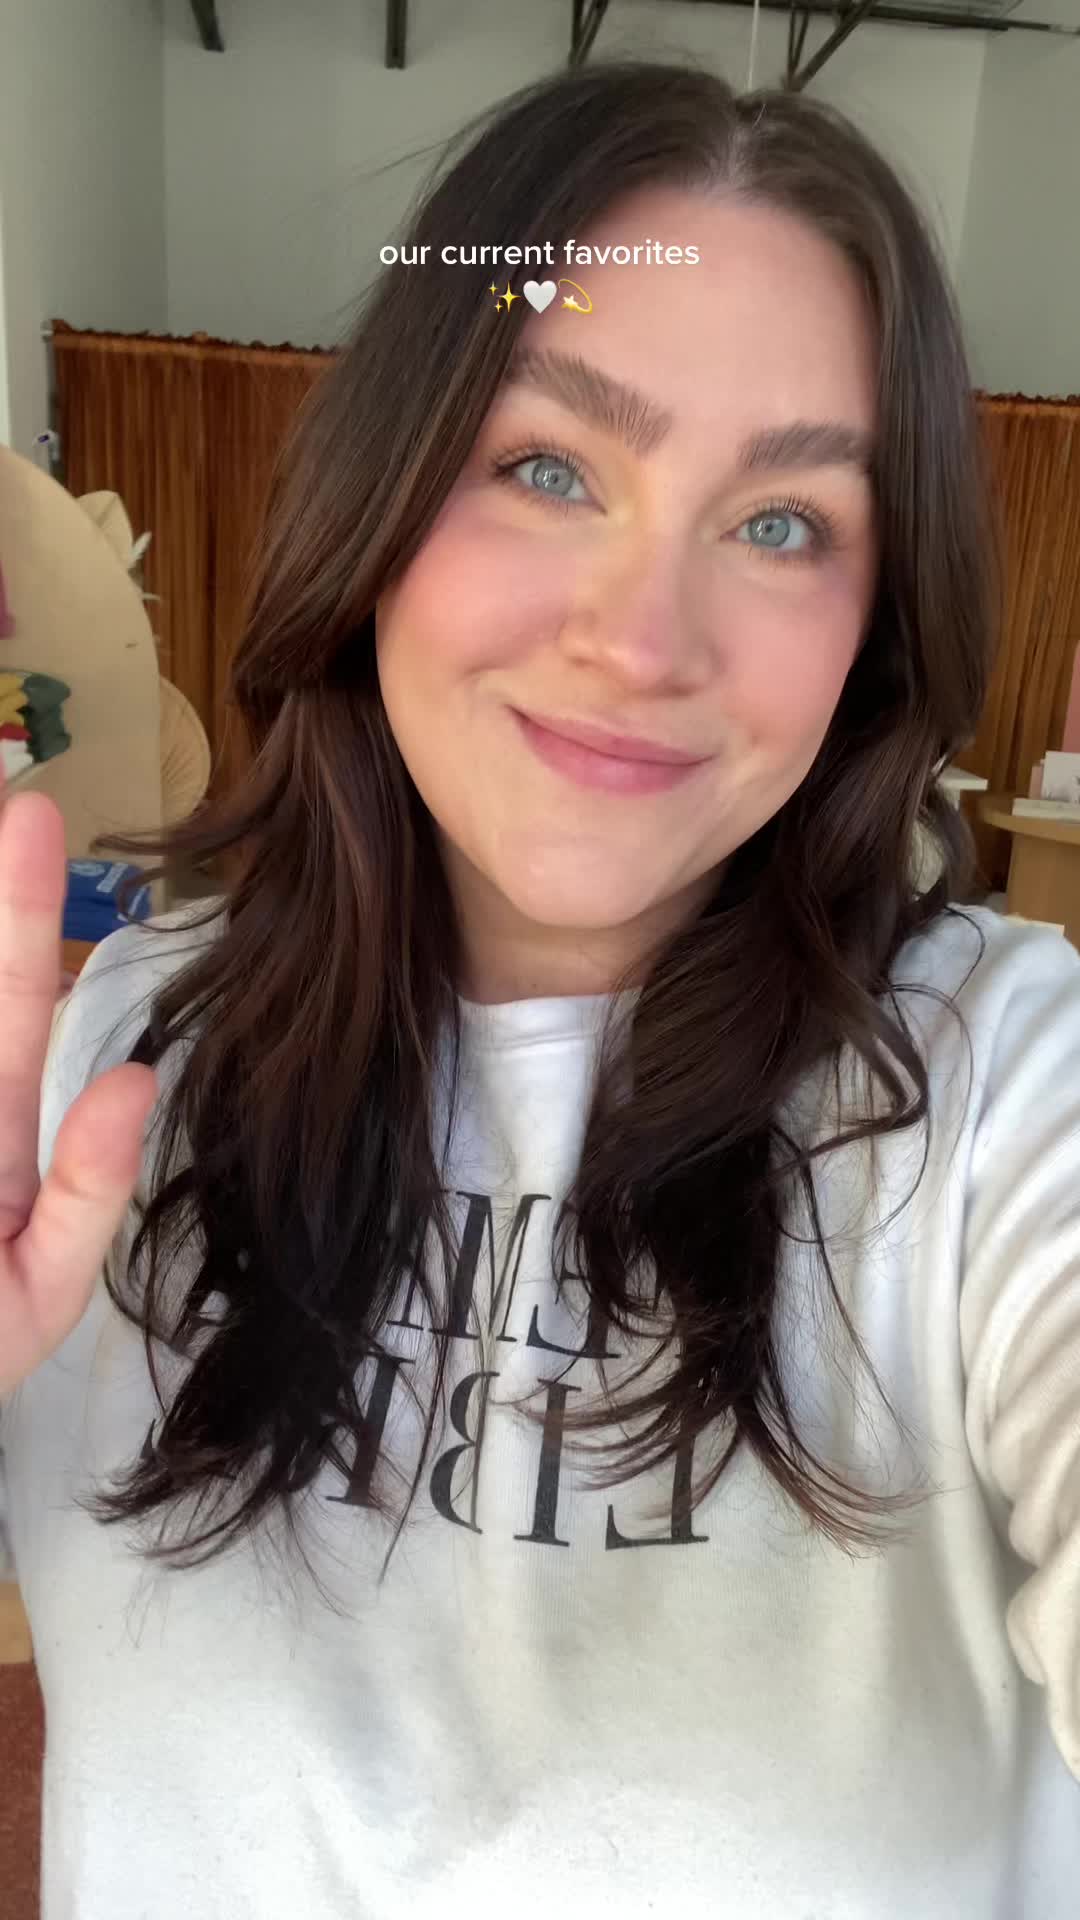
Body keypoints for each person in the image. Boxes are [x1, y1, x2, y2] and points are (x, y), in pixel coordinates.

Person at [1, 55, 1078, 1920]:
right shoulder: (113, 1062)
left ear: (878, 621)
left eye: (784, 521)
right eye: (549, 467)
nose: (643, 642)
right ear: (382, 500)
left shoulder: (1001, 1086)